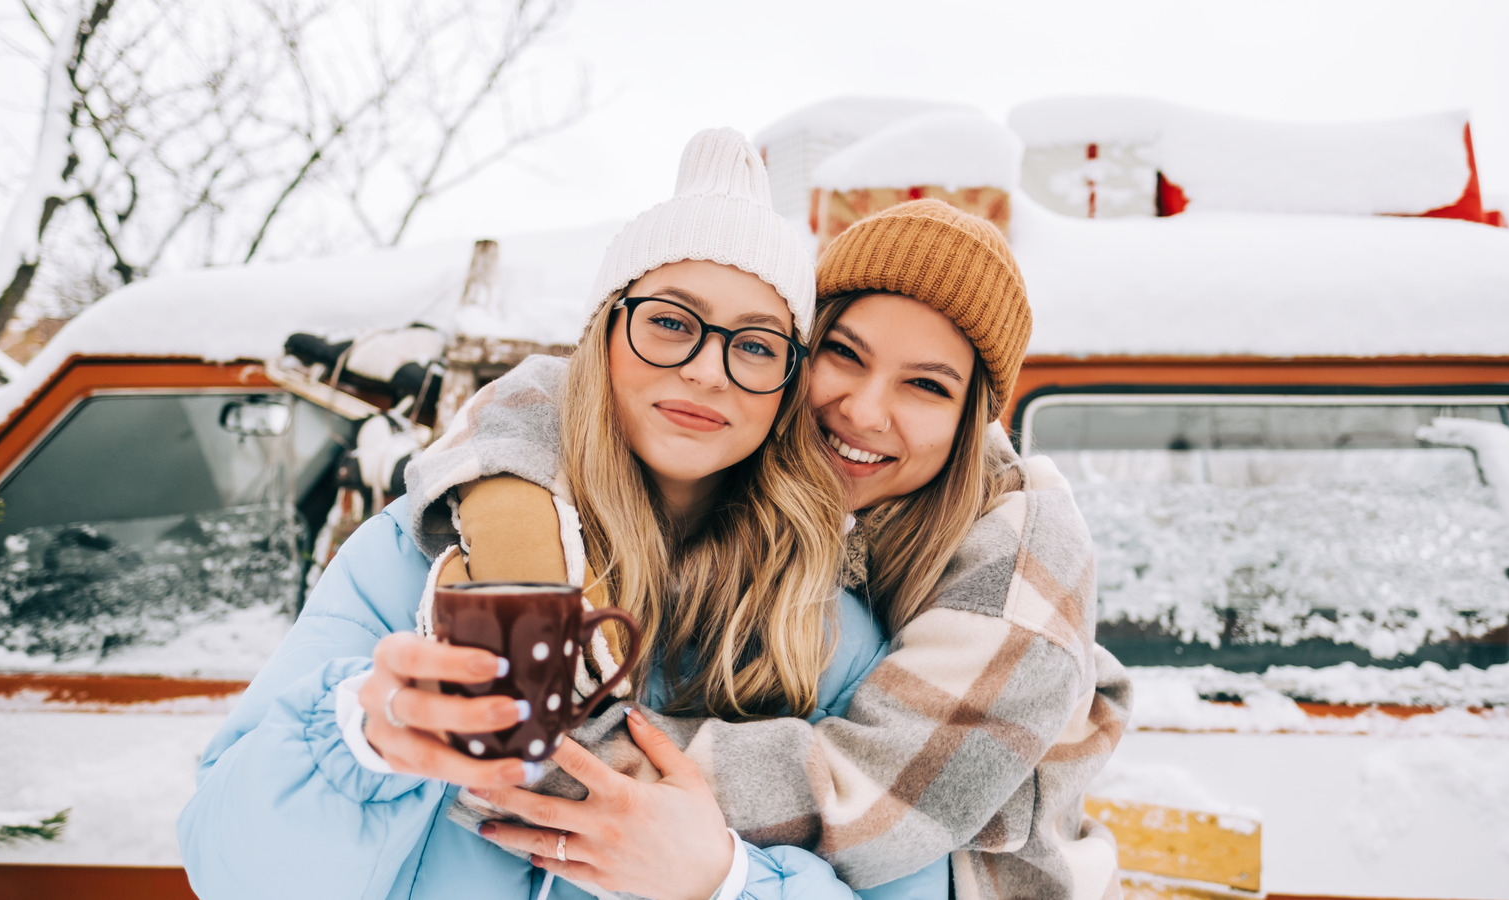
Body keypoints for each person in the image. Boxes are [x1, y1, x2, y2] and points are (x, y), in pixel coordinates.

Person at [178, 128, 943, 899]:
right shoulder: (413, 563)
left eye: (754, 345)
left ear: (787, 383)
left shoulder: (830, 635)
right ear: (603, 335)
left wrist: (724, 883)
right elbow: (235, 876)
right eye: (671, 323)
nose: (708, 370)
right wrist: (361, 744)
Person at [409, 198, 1133, 899]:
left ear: (971, 420)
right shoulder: (780, 486)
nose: (864, 411)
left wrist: (552, 753)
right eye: (844, 354)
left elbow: (868, 803)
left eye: (925, 386)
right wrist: (515, 517)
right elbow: (574, 393)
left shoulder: (1020, 567)